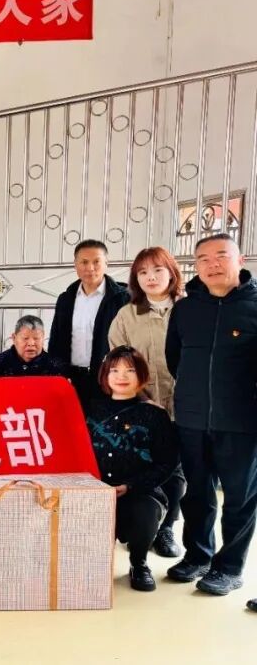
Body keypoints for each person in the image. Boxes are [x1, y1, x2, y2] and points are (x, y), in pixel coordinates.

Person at [165, 234, 257, 596]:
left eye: (221, 256)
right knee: (197, 495)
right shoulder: (186, 309)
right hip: (191, 418)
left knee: (238, 498)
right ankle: (198, 556)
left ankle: (229, 568)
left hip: (242, 422)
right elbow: (175, 359)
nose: (212, 264)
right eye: (203, 258)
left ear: (241, 260)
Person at [108, 246, 187, 559]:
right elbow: (118, 360)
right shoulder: (127, 315)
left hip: (185, 404)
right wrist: (143, 400)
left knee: (177, 471)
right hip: (143, 405)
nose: (150, 277)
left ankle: (167, 528)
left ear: (172, 272)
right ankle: (143, 528)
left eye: (157, 270)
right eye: (142, 272)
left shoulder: (189, 308)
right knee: (147, 465)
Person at [85, 347, 179, 592]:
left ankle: (139, 563)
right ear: (105, 375)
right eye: (114, 370)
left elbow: (167, 462)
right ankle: (92, 563)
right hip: (96, 490)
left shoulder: (154, 414)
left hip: (140, 491)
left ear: (141, 375)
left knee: (145, 513)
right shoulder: (90, 409)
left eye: (130, 370)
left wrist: (130, 486)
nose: (121, 376)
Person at [47, 239, 129, 403]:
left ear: (106, 264)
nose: (90, 268)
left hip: (108, 377)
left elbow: (131, 342)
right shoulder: (66, 299)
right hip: (71, 378)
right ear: (75, 265)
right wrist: (58, 373)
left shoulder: (122, 298)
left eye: (96, 262)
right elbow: (55, 341)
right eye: (84, 262)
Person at [0, 315, 67, 377]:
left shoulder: (55, 365)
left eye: (36, 338)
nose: (31, 343)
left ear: (43, 338)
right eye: (25, 338)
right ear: (14, 338)